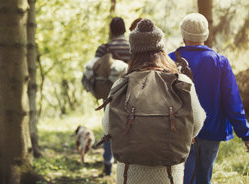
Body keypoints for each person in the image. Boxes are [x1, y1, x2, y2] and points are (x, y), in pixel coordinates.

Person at [102, 19, 206, 184]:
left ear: (133, 51)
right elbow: (198, 122)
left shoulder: (122, 83)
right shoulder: (181, 81)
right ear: (161, 49)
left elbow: (108, 127)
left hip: (130, 173)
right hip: (169, 173)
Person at [169, 13, 249, 184]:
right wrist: (245, 134)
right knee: (204, 178)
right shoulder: (219, 61)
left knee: (179, 179)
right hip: (210, 132)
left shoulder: (169, 61)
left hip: (177, 130)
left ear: (183, 34)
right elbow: (232, 102)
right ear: (205, 34)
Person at [95, 17, 130, 176]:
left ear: (111, 30)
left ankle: (107, 163)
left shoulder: (104, 48)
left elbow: (95, 69)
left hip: (109, 94)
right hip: (131, 93)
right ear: (125, 30)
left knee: (109, 126)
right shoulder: (133, 47)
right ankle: (126, 165)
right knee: (130, 127)